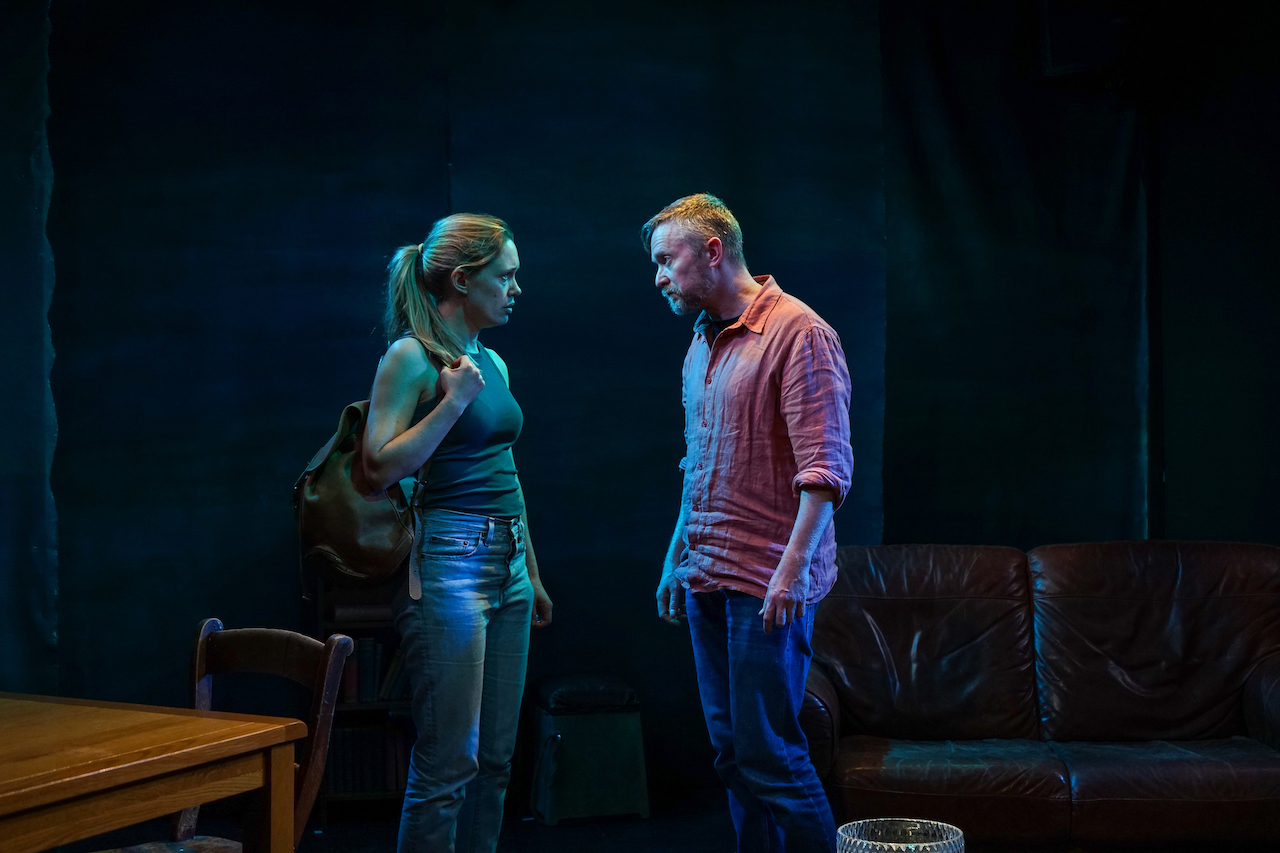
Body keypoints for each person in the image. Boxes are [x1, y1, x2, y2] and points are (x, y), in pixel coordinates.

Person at [642, 193, 853, 852]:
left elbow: (825, 473)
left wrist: (789, 577)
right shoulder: (700, 344)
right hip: (707, 573)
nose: (659, 278)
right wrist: (677, 556)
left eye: (666, 260)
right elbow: (699, 463)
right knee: (733, 756)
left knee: (772, 757)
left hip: (766, 585)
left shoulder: (799, 333)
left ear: (713, 251)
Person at [360, 213, 553, 853]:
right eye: (506, 276)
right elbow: (376, 468)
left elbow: (505, 469)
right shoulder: (411, 356)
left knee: (495, 761)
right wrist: (452, 402)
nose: (516, 289)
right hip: (450, 563)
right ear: (464, 280)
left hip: (509, 564)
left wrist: (531, 572)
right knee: (448, 764)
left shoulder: (491, 360)